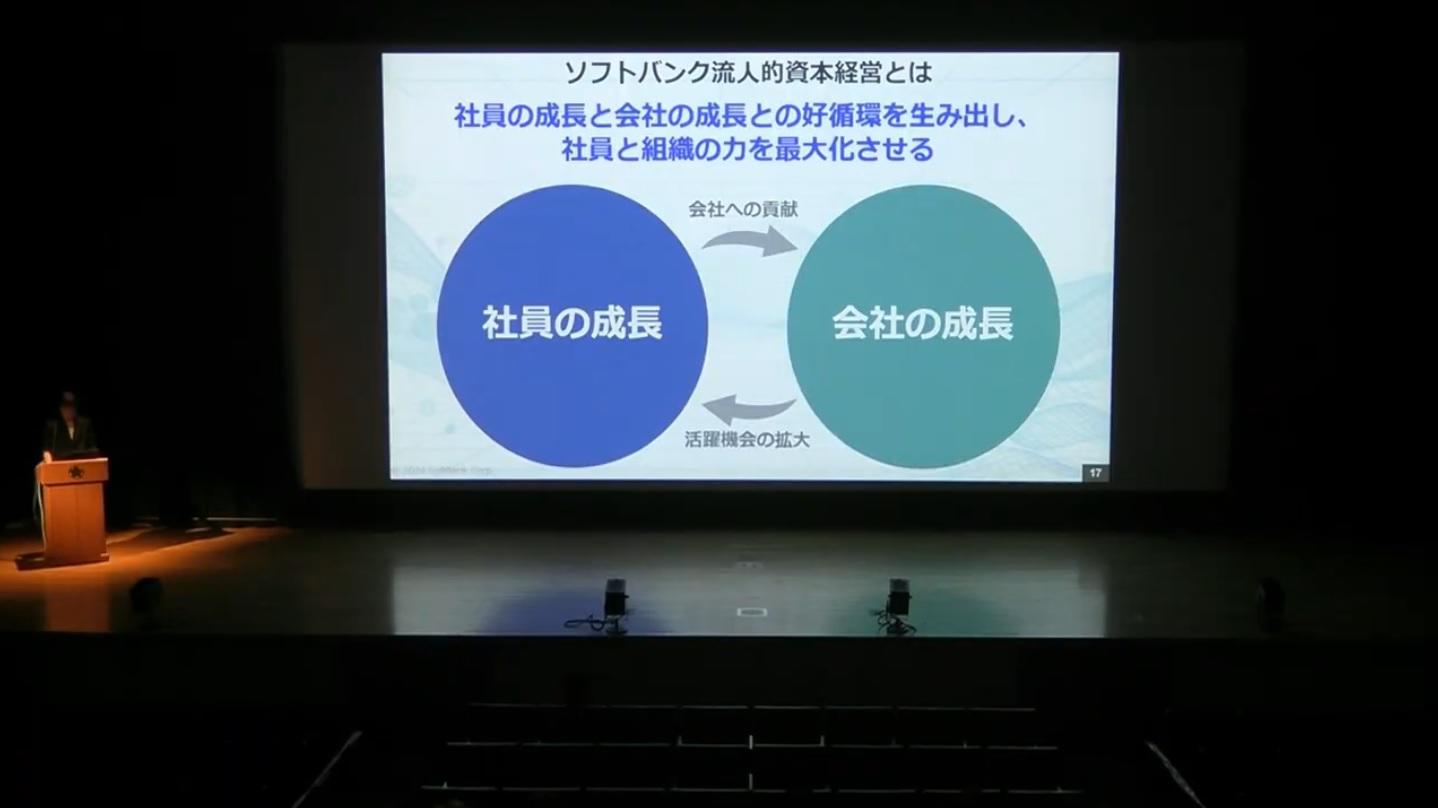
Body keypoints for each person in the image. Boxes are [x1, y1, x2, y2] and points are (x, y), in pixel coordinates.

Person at [41, 391, 98, 462]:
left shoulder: (85, 424)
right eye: (65, 409)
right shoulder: (53, 426)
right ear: (60, 409)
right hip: (60, 464)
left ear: (75, 409)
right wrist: (46, 453)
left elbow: (93, 448)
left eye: (70, 408)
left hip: (82, 463)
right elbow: (47, 448)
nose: (68, 412)